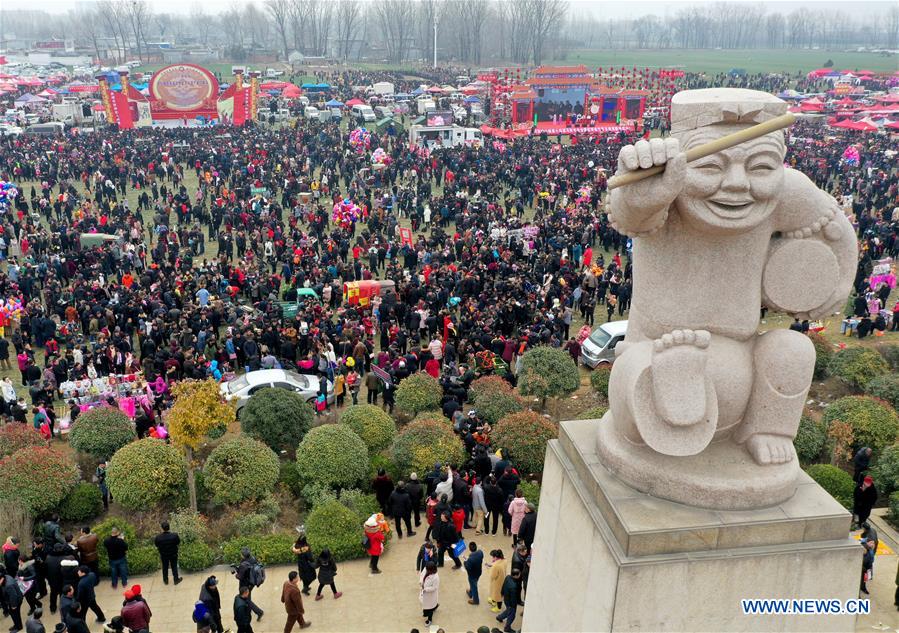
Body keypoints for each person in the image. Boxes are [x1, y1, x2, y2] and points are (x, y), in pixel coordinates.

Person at [234, 547, 264, 620]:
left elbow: (240, 576)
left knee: (245, 598)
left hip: (245, 584)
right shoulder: (253, 558)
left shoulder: (244, 564)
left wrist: (236, 574)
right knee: (247, 597)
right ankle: (248, 610)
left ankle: (259, 612)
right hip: (252, 582)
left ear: (243, 555)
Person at [496, 568, 521, 632]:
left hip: (506, 599)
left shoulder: (508, 577)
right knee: (512, 615)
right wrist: (513, 606)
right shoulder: (513, 586)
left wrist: (502, 593)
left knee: (508, 610)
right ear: (515, 576)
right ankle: (507, 627)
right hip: (511, 603)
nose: (520, 575)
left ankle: (499, 617)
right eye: (519, 574)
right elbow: (513, 598)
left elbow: (503, 585)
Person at [419, 561, 440, 627]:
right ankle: (436, 606)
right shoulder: (426, 569)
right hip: (425, 592)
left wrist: (426, 589)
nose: (426, 570)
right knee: (427, 605)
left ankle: (429, 620)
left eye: (428, 570)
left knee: (430, 608)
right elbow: (422, 574)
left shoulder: (436, 577)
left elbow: (434, 588)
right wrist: (420, 581)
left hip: (430, 595)